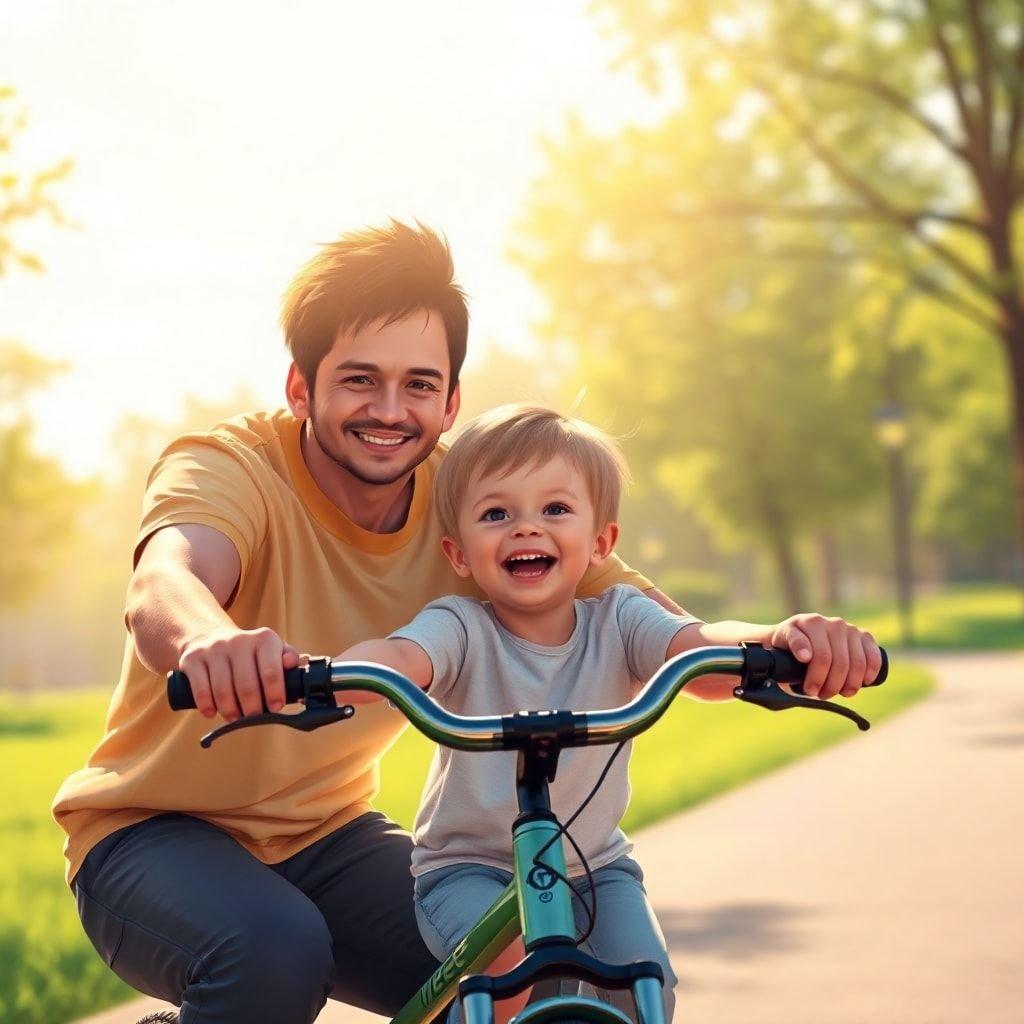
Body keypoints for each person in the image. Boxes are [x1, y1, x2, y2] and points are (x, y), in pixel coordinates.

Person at [51, 221, 677, 1024]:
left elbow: (643, 609)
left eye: (419, 385)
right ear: (301, 388)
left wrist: (781, 647)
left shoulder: (475, 504)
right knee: (275, 952)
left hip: (330, 836)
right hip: (147, 834)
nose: (390, 410)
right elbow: (165, 581)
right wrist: (209, 640)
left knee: (516, 974)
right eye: (358, 380)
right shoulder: (229, 463)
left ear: (451, 400)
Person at [334, 404, 883, 1024]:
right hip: (469, 870)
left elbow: (697, 645)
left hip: (595, 865)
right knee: (504, 981)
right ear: (458, 554)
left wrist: (781, 639)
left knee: (646, 984)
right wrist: (338, 672)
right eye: (496, 514)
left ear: (601, 543)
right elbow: (403, 656)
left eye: (556, 509)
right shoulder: (458, 626)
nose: (526, 529)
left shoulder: (622, 617)